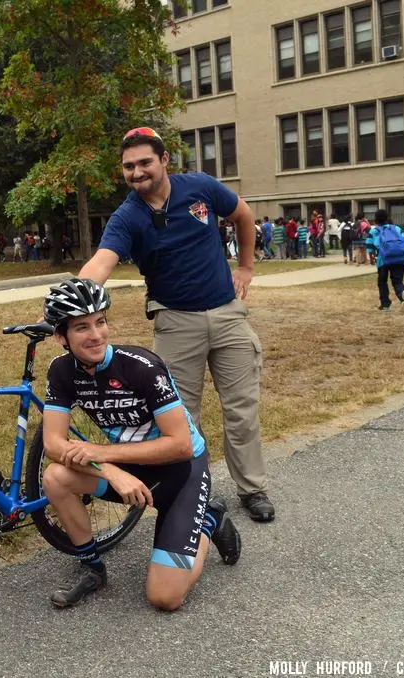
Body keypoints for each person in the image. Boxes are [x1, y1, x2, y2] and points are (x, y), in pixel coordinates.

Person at [77, 126, 275, 522]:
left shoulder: (200, 188)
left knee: (241, 409)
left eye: (145, 162)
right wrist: (73, 301)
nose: (137, 172)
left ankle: (252, 487)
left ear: (164, 160)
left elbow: (243, 214)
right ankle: (194, 493)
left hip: (227, 315)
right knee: (180, 417)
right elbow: (102, 262)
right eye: (129, 166)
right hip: (175, 322)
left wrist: (247, 267)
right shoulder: (127, 216)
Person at [40, 278, 241, 609]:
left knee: (164, 598)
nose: (96, 335)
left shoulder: (142, 367)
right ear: (61, 336)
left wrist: (102, 453)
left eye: (101, 322)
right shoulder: (61, 371)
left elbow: (181, 445)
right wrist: (111, 471)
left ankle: (208, 519)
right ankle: (92, 568)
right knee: (54, 477)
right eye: (81, 327)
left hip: (182, 473)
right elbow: (53, 444)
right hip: (132, 469)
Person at [368, 209, 404, 311]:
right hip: (398, 259)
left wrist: (372, 257)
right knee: (397, 281)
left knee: (382, 281)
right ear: (387, 218)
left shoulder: (374, 231)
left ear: (376, 219)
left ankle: (385, 304)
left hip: (383, 259)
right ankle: (402, 294)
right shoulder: (396, 228)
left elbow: (370, 246)